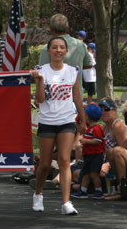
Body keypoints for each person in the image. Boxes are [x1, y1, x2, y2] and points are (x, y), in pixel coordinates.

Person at [30, 36, 86, 215]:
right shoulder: (41, 70)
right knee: (45, 164)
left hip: (67, 120)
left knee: (63, 160)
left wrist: (82, 119)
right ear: (49, 51)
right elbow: (39, 100)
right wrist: (39, 80)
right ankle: (38, 194)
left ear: (66, 51)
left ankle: (66, 203)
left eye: (62, 47)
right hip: (47, 121)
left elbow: (77, 97)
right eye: (54, 47)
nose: (58, 50)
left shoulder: (72, 71)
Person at [37, 14, 94, 93]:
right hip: (76, 94)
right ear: (68, 27)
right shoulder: (80, 45)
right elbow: (88, 65)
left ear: (51, 29)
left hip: (54, 96)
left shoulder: (47, 49)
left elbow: (41, 74)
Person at [100, 97, 127, 200]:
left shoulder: (119, 126)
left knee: (116, 151)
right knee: (112, 151)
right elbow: (125, 146)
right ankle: (122, 187)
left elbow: (122, 149)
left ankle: (122, 191)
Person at [72, 103, 105, 198]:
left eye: (85, 115)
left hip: (96, 155)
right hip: (89, 155)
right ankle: (83, 190)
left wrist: (86, 141)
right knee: (85, 173)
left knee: (94, 174)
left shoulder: (96, 128)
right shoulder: (89, 128)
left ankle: (99, 190)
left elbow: (98, 140)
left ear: (89, 117)